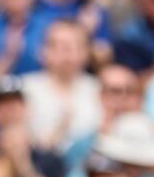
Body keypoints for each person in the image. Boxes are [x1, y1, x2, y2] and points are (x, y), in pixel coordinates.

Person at [21, 19, 103, 154]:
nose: (67, 52)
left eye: (75, 46)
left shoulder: (101, 89)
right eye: (58, 46)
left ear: (87, 52)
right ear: (42, 51)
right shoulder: (23, 89)